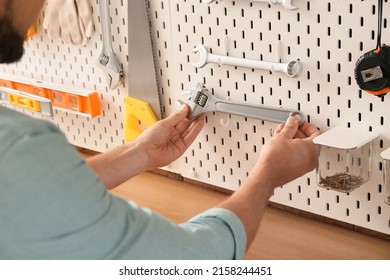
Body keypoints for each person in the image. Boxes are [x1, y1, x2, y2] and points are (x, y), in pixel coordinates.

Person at [0, 0, 320, 259]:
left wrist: (137, 154)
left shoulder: (16, 148)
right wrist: (267, 175)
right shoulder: (20, 144)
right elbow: (196, 258)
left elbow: (38, 190)